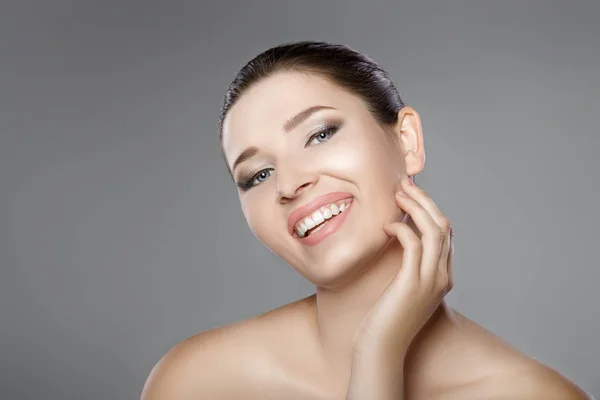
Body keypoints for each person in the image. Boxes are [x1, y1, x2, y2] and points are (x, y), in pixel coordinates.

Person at [141, 41, 592, 399]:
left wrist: (378, 351)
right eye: (257, 174)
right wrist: (378, 355)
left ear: (407, 140)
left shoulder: (534, 395)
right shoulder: (199, 382)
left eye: (319, 134)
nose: (289, 184)